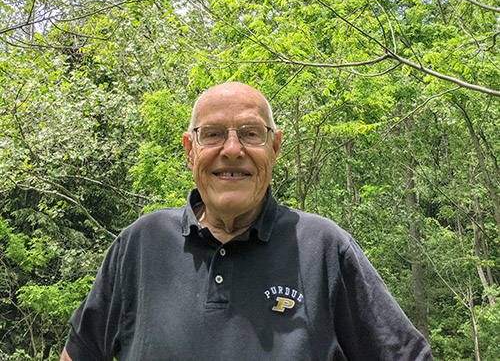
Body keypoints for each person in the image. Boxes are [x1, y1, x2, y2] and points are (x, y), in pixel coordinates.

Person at [60, 81, 434, 361]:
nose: (233, 149)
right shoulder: (141, 244)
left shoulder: (323, 247)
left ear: (274, 148)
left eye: (251, 134)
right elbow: (79, 353)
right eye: (213, 135)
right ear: (190, 151)